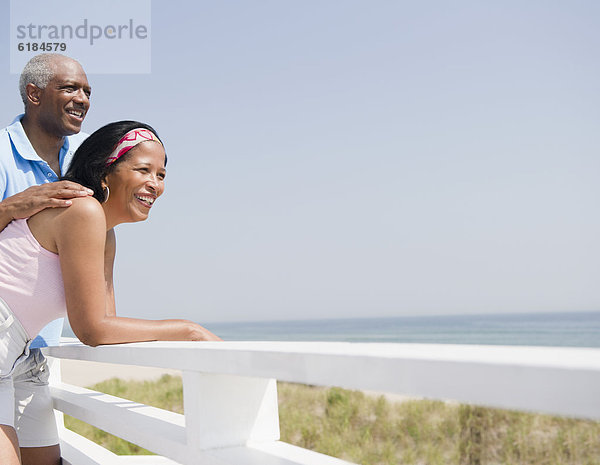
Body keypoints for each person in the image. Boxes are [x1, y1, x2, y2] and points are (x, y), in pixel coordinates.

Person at [0, 120, 221, 464]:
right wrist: (186, 329)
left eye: (161, 175)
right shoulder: (82, 210)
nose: (155, 184)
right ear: (105, 173)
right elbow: (92, 329)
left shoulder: (104, 232)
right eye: (144, 170)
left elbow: (106, 323)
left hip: (21, 356)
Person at [0, 53, 95, 465]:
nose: (82, 99)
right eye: (69, 88)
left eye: (87, 91)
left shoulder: (84, 163)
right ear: (33, 93)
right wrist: (10, 207)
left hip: (35, 353)